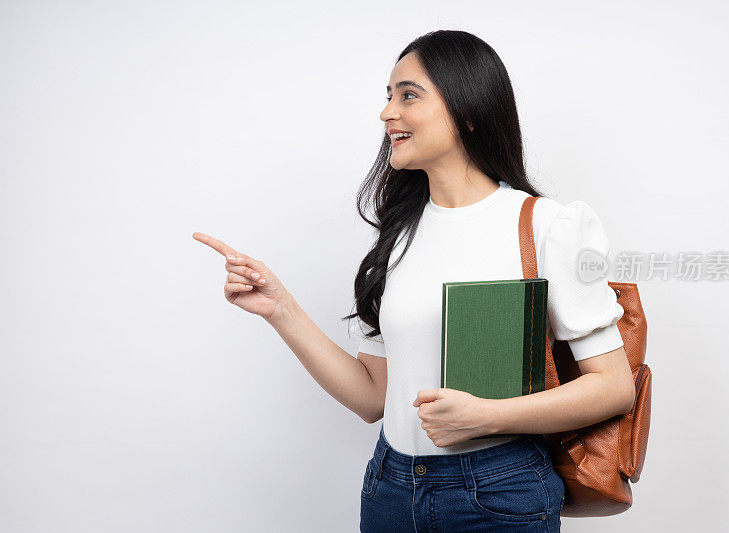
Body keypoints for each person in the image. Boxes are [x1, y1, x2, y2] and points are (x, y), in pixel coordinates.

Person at [194, 29, 636, 533]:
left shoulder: (547, 226)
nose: (387, 114)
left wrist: (489, 417)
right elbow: (371, 399)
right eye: (388, 97)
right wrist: (281, 309)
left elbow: (614, 388)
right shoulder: (398, 236)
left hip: (498, 491)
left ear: (468, 109)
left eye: (408, 95)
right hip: (390, 488)